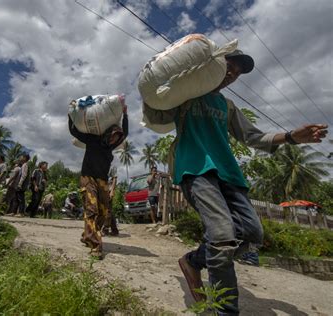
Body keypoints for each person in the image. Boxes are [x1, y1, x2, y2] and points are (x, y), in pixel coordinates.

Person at [143, 49, 328, 314]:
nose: (233, 74)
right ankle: (226, 311)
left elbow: (253, 137)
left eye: (238, 73)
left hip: (229, 175)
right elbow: (157, 114)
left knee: (252, 233)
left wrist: (291, 136)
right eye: (230, 66)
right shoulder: (187, 94)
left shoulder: (227, 106)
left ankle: (194, 261)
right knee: (221, 234)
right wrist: (150, 88)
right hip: (196, 170)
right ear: (213, 64)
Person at [69, 105, 128, 259]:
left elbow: (125, 133)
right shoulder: (92, 140)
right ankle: (95, 244)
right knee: (91, 209)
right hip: (88, 178)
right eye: (114, 135)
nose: (115, 139)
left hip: (102, 181)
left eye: (117, 137)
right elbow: (74, 131)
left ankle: (87, 234)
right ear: (108, 133)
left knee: (103, 211)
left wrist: (125, 114)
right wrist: (70, 114)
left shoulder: (110, 147)